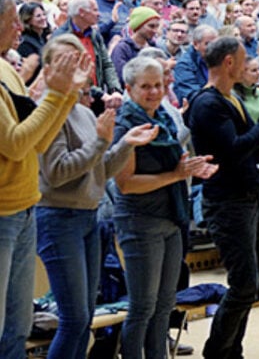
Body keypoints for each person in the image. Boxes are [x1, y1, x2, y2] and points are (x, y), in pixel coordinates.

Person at [36, 36, 156, 359]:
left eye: (78, 59)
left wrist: (125, 143)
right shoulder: (48, 111)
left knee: (84, 317)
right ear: (48, 69)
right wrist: (101, 143)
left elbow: (100, 170)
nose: (74, 66)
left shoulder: (84, 112)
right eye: (65, 60)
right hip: (58, 217)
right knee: (74, 319)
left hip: (88, 216)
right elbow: (58, 172)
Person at [185, 37, 259, 359]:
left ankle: (231, 350)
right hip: (227, 202)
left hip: (248, 197)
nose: (249, 65)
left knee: (254, 287)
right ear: (229, 62)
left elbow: (254, 148)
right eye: (245, 59)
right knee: (244, 285)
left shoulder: (229, 98)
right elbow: (234, 151)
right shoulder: (208, 104)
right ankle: (218, 352)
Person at [112, 56, 218, 359]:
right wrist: (177, 175)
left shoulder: (164, 119)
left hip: (171, 217)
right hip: (140, 221)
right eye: (146, 86)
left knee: (164, 304)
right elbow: (126, 183)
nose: (154, 92)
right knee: (142, 306)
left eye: (158, 85)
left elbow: (175, 167)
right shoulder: (125, 125)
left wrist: (191, 167)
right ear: (129, 89)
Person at [0, 0, 86, 358]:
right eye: (12, 21)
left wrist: (66, 95)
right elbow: (16, 144)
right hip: (2, 213)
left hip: (24, 208)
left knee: (17, 327)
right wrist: (54, 95)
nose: (19, 29)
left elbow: (37, 142)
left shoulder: (7, 69)